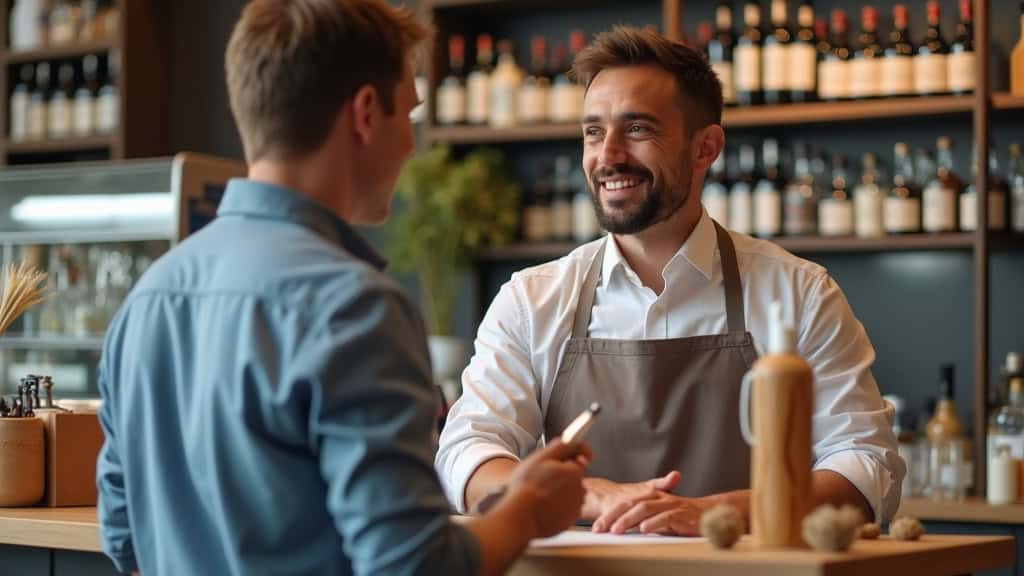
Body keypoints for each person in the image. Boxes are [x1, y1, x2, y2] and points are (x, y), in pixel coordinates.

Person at [95, 1, 589, 575]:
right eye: (408, 114)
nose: (410, 143)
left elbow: (124, 537)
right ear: (365, 113)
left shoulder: (147, 298)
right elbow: (414, 567)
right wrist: (527, 509)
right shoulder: (355, 308)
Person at [436, 26, 905, 536]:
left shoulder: (799, 292)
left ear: (706, 148)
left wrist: (717, 514)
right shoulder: (531, 300)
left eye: (637, 128)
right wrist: (594, 494)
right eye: (593, 131)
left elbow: (866, 468)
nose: (608, 155)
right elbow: (468, 456)